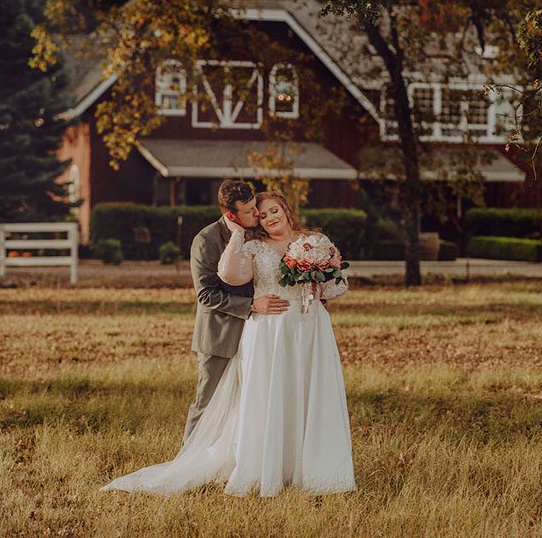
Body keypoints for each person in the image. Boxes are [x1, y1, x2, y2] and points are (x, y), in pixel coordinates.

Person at [101, 190, 354, 497]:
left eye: (274, 210)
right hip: (269, 333)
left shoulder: (316, 242)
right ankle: (267, 467)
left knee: (310, 393)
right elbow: (230, 277)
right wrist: (236, 237)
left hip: (310, 328)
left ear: (286, 210)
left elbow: (338, 287)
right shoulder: (254, 246)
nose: (270, 218)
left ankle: (314, 469)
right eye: (262, 215)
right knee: (268, 396)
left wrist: (319, 274)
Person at [183, 180, 290, 443]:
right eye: (250, 211)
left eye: (256, 207)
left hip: (258, 334)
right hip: (220, 336)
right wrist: (251, 306)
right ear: (231, 215)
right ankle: (188, 458)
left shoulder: (257, 232)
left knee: (249, 404)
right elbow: (206, 295)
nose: (257, 214)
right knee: (207, 402)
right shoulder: (206, 240)